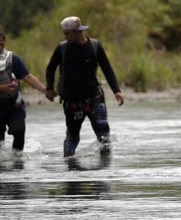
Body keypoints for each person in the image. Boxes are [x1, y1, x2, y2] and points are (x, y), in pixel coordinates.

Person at [44, 15, 125, 157]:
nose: (65, 36)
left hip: (94, 97)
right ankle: (69, 167)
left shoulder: (95, 46)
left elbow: (107, 69)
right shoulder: (62, 49)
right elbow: (50, 68)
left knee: (103, 130)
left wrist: (116, 91)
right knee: (72, 137)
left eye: (67, 33)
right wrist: (49, 88)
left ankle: (105, 166)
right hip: (72, 100)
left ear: (77, 31)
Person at [0, 27, 47, 160]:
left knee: (19, 131)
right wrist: (2, 88)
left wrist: (45, 91)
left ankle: (17, 162)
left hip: (14, 105)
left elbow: (28, 77)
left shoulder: (12, 58)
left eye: (2, 44)